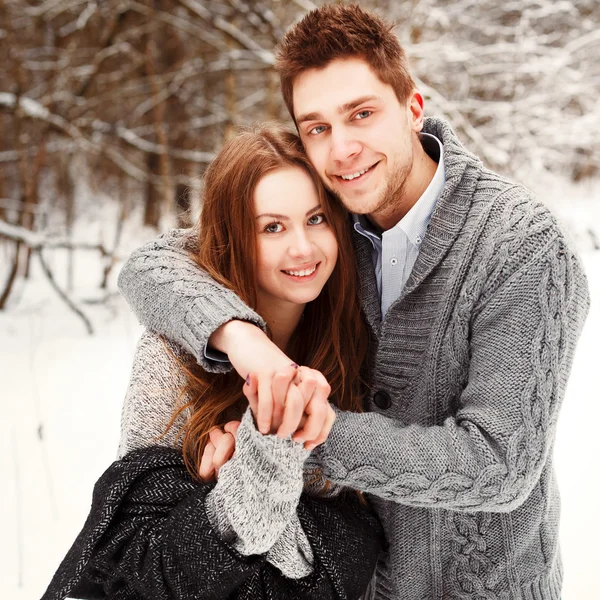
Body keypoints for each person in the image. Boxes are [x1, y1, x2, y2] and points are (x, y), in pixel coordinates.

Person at [117, 4, 590, 600]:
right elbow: (156, 263)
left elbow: (496, 466)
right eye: (317, 128)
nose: (342, 149)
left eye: (361, 114)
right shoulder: (330, 217)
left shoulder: (520, 247)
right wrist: (242, 337)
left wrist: (295, 439)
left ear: (413, 108)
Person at [41, 126, 384, 600]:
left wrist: (235, 483)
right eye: (272, 227)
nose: (303, 248)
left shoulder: (357, 344)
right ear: (233, 237)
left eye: (317, 219)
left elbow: (353, 555)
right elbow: (145, 567)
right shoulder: (172, 357)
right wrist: (259, 470)